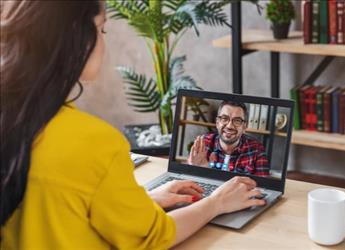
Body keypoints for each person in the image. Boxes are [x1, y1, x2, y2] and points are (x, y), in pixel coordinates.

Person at [0, 1, 266, 249]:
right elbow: (154, 236)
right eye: (101, 29)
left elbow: (56, 206)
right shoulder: (94, 141)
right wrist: (216, 202)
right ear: (77, 39)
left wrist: (143, 202)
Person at [188, 101, 270, 177]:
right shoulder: (204, 143)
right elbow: (188, 183)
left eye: (237, 120)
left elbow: (261, 189)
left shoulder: (257, 150)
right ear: (217, 122)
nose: (229, 126)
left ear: (244, 126)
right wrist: (198, 170)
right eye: (224, 118)